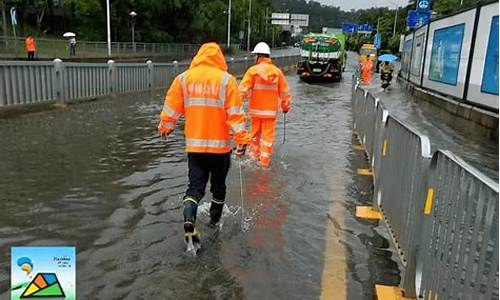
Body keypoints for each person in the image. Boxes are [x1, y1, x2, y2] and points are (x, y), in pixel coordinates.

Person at [157, 42, 249, 251]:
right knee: (218, 188)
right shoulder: (227, 80)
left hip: (195, 148)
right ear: (219, 58)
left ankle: (190, 219)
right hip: (220, 149)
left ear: (198, 56)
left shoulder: (183, 79)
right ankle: (214, 223)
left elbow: (171, 108)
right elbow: (235, 114)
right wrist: (242, 140)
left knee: (195, 187)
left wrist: (165, 127)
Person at [239, 42, 291, 167]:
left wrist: (236, 108)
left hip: (256, 112)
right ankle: (264, 163)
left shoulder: (252, 71)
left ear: (258, 56)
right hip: (270, 113)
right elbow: (285, 94)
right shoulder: (277, 72)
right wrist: (285, 107)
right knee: (267, 139)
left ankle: (252, 159)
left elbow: (241, 91)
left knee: (254, 136)